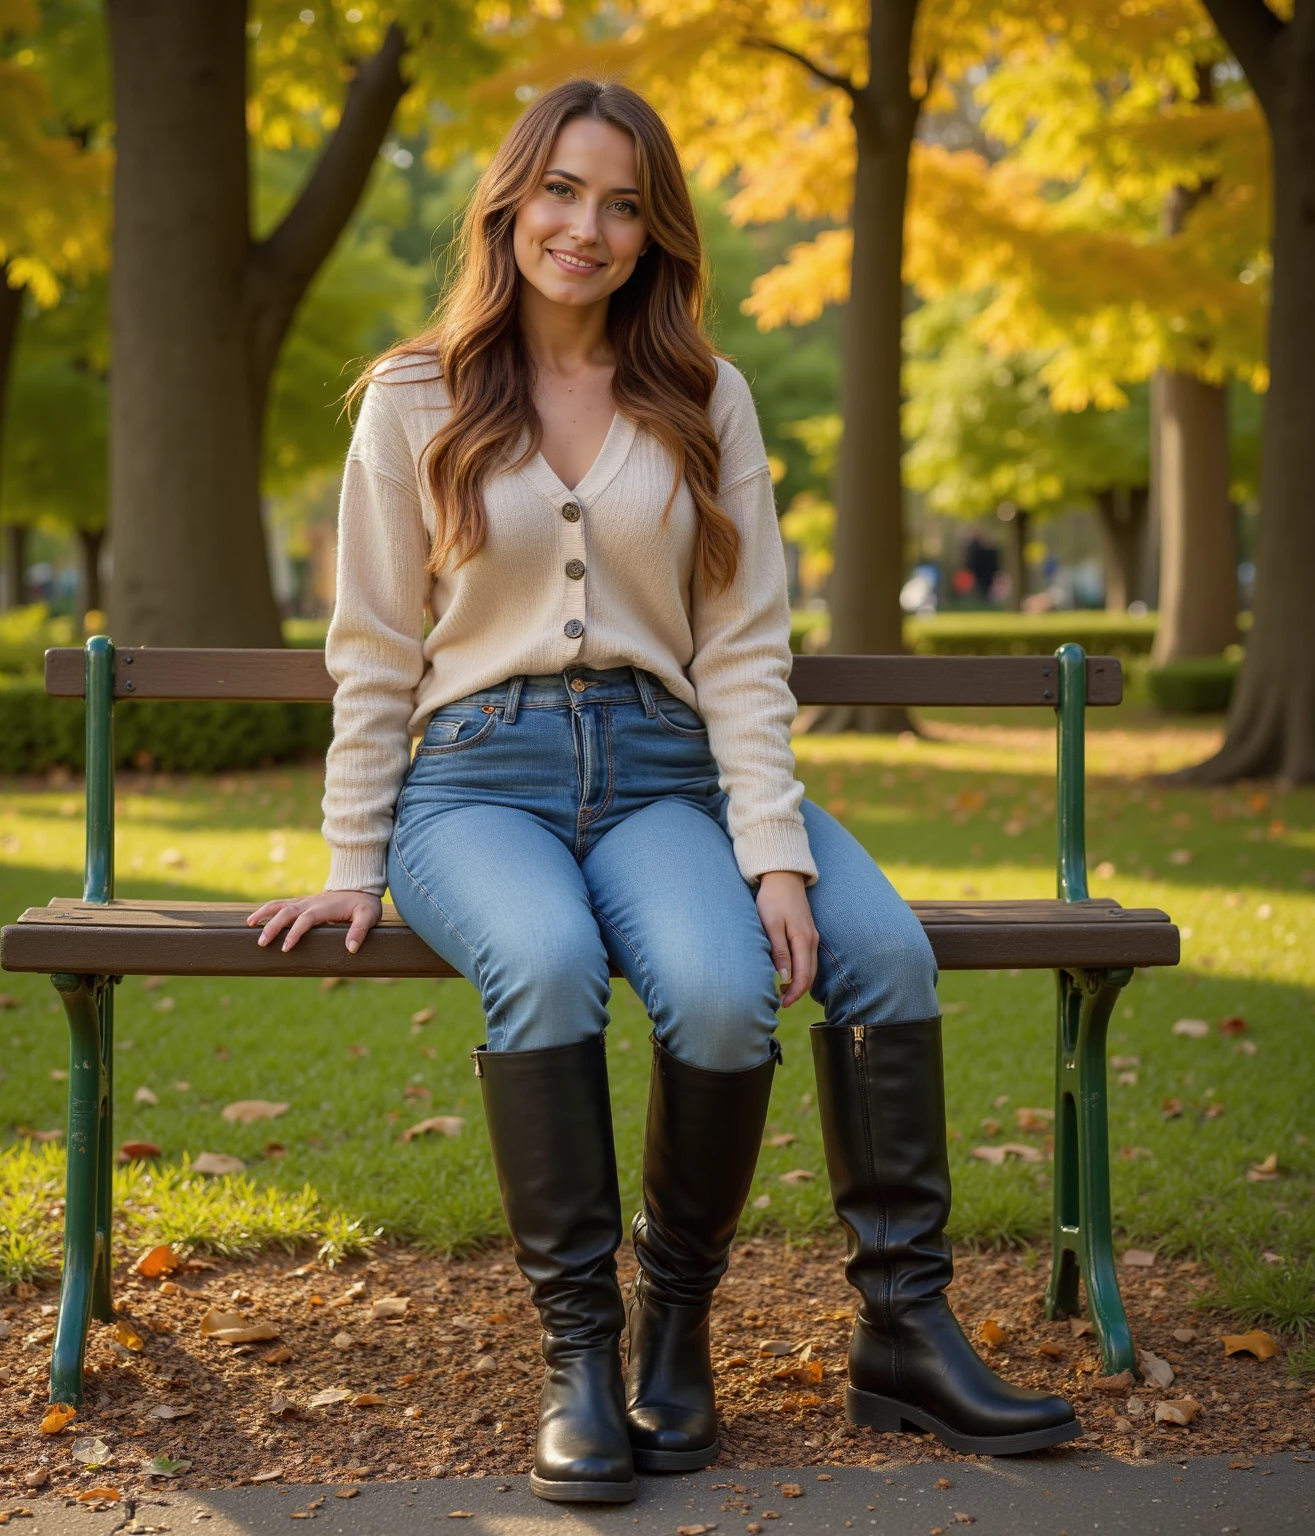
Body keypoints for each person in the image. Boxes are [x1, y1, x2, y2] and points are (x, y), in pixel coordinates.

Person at [248, 79, 1078, 1504]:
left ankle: (673, 1326)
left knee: (715, 989)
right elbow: (375, 647)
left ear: (654, 233)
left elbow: (747, 647)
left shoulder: (705, 393)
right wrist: (349, 854)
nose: (589, 227)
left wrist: (771, 849)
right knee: (553, 965)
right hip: (474, 782)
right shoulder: (411, 396)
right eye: (563, 192)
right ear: (511, 201)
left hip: (660, 774)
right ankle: (580, 1362)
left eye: (625, 204)